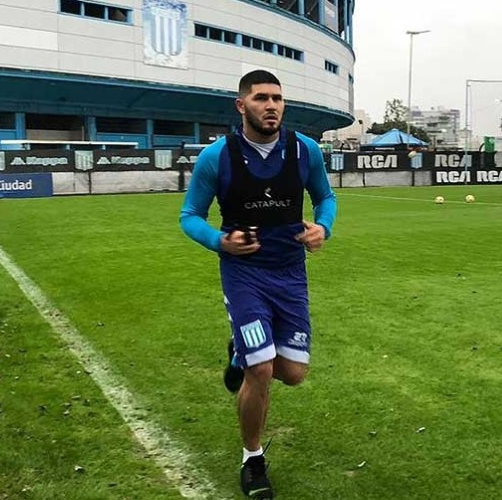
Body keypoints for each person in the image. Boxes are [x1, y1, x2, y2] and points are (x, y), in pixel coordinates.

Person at [179, 69, 336, 499]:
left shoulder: (304, 151)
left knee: (294, 374)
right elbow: (190, 215)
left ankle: (239, 351)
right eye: (261, 98)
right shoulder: (217, 157)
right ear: (241, 105)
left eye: (277, 98)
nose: (271, 106)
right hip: (244, 274)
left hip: (290, 273)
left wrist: (323, 227)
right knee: (261, 368)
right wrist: (220, 241)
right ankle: (253, 460)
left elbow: (325, 197)